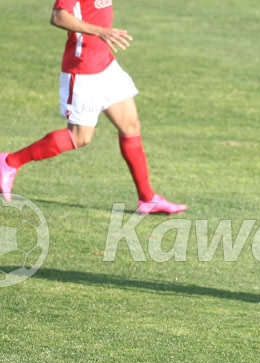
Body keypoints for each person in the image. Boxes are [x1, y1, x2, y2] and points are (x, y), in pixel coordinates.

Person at [0, 1, 186, 215]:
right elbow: (58, 16)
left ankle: (147, 198)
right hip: (82, 69)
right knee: (79, 137)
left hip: (105, 64)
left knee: (130, 126)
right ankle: (9, 162)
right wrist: (101, 32)